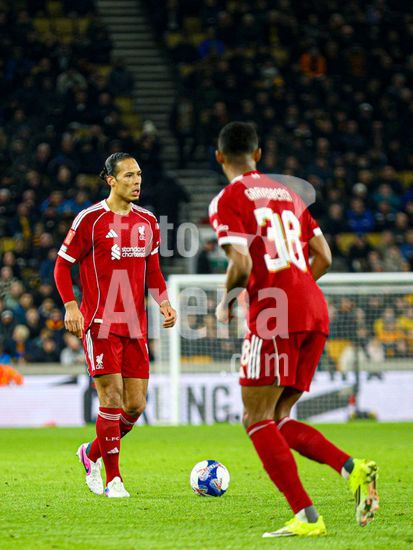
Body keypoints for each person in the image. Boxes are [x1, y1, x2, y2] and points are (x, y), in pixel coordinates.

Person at [209, 122, 379, 538]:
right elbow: (324, 256)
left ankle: (306, 516)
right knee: (278, 416)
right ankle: (353, 469)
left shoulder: (228, 198)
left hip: (274, 315)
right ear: (258, 154)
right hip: (314, 312)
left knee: (255, 418)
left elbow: (241, 264)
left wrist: (227, 301)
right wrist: (297, 291)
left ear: (220, 157)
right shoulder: (288, 193)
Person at [54, 152, 177, 498]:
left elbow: (153, 271)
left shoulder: (148, 221)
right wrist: (71, 306)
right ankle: (114, 480)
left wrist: (164, 302)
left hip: (135, 326)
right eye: (128, 176)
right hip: (100, 323)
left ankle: (90, 453)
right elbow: (62, 266)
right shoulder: (90, 219)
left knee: (134, 406)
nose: (137, 181)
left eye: (138, 175)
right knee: (110, 397)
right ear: (111, 180)